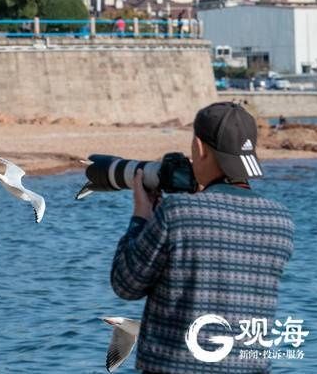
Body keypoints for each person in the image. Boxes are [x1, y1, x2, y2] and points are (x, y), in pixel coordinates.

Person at [110, 102, 295, 373]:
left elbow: (126, 285)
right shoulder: (281, 220)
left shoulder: (177, 213)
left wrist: (141, 216)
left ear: (198, 147)